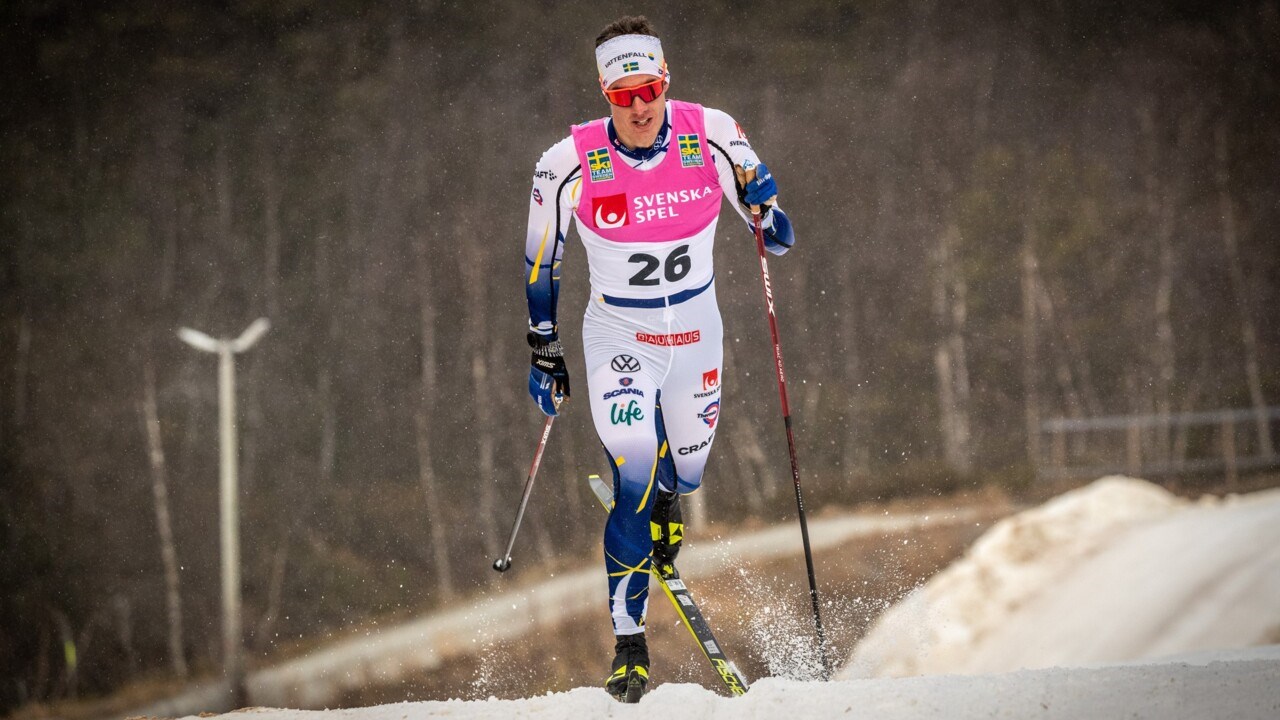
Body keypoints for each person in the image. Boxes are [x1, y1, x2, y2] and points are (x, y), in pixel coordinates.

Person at [522, 15, 795, 701]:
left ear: (665, 81)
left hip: (696, 334)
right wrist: (543, 346)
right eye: (622, 95)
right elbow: (541, 261)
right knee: (632, 473)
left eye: (648, 89)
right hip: (619, 337)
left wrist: (767, 208)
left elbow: (778, 237)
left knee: (687, 470)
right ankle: (629, 645)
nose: (638, 107)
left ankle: (672, 492)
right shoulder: (568, 161)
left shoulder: (712, 133)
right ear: (603, 95)